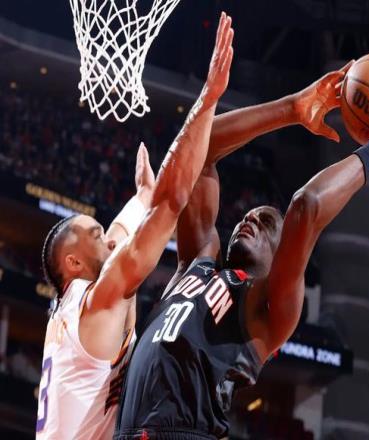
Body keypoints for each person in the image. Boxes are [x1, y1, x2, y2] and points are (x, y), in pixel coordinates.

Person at [114, 67, 369, 438]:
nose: (250, 219)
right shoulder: (197, 261)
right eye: (249, 216)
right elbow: (202, 150)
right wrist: (291, 109)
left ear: (282, 255)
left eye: (266, 222)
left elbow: (307, 205)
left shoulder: (270, 309)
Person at [35, 12, 235, 439]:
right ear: (73, 263)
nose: (108, 238)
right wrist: (209, 97)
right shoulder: (100, 298)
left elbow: (122, 232)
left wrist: (142, 197)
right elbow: (172, 202)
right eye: (96, 235)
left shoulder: (73, 306)